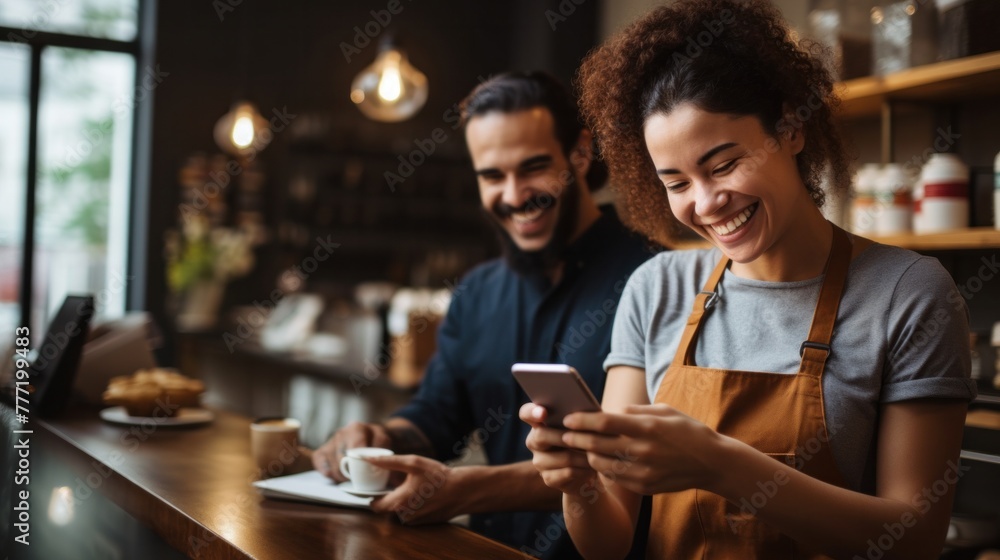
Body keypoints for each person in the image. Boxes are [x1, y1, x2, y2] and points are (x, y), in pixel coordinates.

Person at [520, 1, 978, 559]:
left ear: (789, 128)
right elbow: (608, 544)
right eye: (676, 182)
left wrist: (719, 464)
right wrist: (580, 483)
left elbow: (915, 538)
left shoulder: (908, 294)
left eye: (722, 164)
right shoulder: (655, 289)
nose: (706, 203)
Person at [312, 71, 657, 559]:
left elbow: (636, 459)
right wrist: (382, 439)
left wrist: (472, 489)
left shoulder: (656, 281)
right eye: (492, 176)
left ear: (580, 154)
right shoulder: (476, 292)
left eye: (533, 168)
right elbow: (436, 417)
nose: (515, 196)